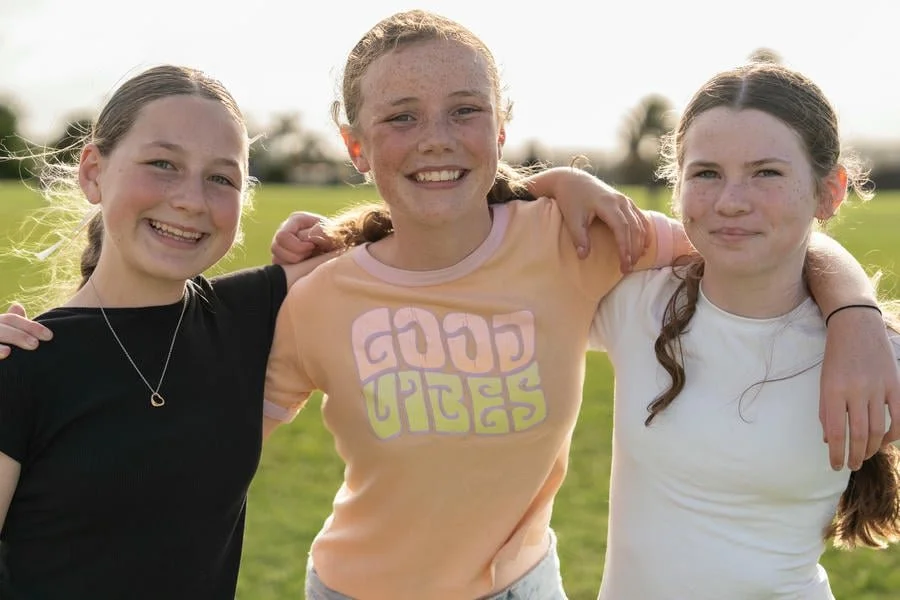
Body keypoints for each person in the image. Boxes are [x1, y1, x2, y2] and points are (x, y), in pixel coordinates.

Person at [260, 10, 898, 600]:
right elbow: (223, 434)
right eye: (402, 116)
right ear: (356, 144)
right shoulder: (323, 294)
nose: (731, 200)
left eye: (464, 110)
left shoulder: (577, 247)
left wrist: (855, 316)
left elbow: (768, 250)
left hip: (524, 584)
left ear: (500, 125)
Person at [0, 63, 669, 598]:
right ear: (93, 172)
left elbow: (430, 215)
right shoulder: (20, 364)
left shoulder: (254, 313)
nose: (190, 199)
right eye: (162, 164)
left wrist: (558, 184)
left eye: (221, 178)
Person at [590, 62, 900, 599]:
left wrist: (855, 316)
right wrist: (565, 183)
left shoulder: (873, 356)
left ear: (830, 192)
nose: (731, 200)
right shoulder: (635, 300)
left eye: (767, 173)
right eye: (706, 173)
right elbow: (495, 235)